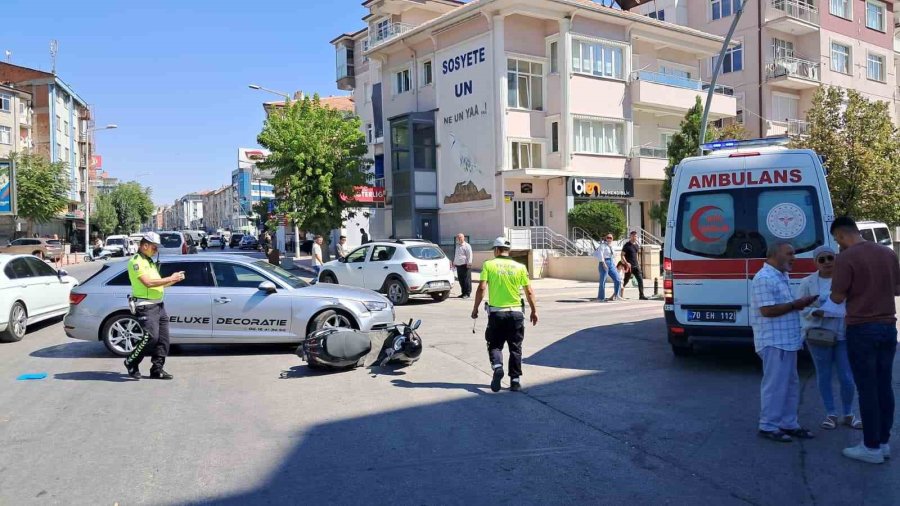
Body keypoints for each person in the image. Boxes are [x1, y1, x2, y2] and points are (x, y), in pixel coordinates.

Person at [829, 216, 900, 464]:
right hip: (888, 327)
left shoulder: (846, 258)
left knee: (867, 389)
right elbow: (897, 289)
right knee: (884, 386)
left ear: (840, 235)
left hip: (861, 328)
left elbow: (837, 297)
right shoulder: (887, 253)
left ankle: (870, 447)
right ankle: (883, 443)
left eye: (837, 239)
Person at [751, 242, 818, 443]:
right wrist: (795, 305)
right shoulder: (764, 278)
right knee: (775, 385)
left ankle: (789, 423)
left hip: (787, 341)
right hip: (774, 341)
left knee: (790, 384)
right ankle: (768, 425)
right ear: (775, 254)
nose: (794, 257)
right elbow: (767, 310)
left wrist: (800, 305)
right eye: (789, 253)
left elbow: (782, 307)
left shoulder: (780, 276)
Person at [798, 245, 861, 431]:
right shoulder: (807, 282)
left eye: (830, 258)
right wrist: (816, 312)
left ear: (836, 259)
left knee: (847, 377)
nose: (826, 262)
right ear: (816, 263)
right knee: (823, 375)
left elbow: (858, 303)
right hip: (819, 336)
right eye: (821, 259)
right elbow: (801, 308)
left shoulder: (848, 279)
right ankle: (831, 413)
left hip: (844, 334)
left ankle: (849, 414)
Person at [471, 237, 538, 393]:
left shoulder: (489, 265)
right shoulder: (520, 267)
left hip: (497, 314)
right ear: (509, 250)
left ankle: (497, 367)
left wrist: (475, 309)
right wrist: (534, 311)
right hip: (516, 314)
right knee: (515, 347)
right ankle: (515, 380)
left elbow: (481, 288)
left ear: (496, 250)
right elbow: (529, 291)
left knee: (494, 344)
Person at [124, 232, 185, 380]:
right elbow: (148, 283)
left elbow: (159, 284)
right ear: (144, 245)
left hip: (159, 305)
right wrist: (170, 278)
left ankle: (157, 369)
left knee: (163, 340)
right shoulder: (136, 261)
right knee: (150, 337)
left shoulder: (150, 262)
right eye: (154, 247)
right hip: (146, 305)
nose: (156, 250)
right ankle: (131, 361)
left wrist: (174, 279)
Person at [593, 233, 621, 302]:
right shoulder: (602, 245)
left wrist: (614, 265)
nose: (609, 239)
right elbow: (601, 254)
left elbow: (613, 256)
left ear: (612, 239)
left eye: (610, 238)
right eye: (608, 237)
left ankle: (616, 295)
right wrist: (603, 263)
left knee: (618, 279)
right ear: (605, 238)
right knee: (603, 281)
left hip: (611, 263)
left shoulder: (611, 246)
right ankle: (601, 297)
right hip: (604, 263)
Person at [621, 231, 647, 300]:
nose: (634, 237)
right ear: (630, 236)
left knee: (640, 280)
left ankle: (641, 295)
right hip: (629, 266)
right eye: (633, 236)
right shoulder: (627, 245)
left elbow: (636, 256)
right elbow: (622, 255)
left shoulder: (636, 245)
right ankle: (618, 292)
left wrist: (638, 264)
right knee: (626, 280)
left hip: (636, 266)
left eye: (635, 236)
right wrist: (626, 263)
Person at [454, 233, 473, 299]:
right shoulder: (457, 246)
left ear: (463, 238)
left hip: (465, 265)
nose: (459, 239)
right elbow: (456, 255)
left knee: (466, 280)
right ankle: (463, 293)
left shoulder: (467, 246)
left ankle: (467, 293)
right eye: (458, 238)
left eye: (461, 237)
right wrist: (454, 262)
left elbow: (469, 255)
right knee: (461, 280)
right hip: (459, 265)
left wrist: (469, 263)